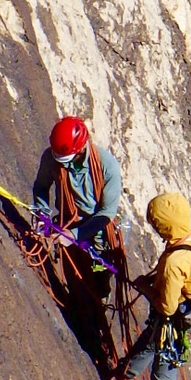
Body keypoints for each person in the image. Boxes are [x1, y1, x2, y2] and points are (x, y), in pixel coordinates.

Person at [118, 192, 191, 380]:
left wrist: (145, 288)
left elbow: (167, 307)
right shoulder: (190, 237)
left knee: (163, 374)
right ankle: (124, 372)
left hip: (174, 322)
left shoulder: (176, 261)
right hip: (177, 319)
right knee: (149, 342)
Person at [32, 116, 122, 274]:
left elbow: (107, 212)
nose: (62, 163)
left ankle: (99, 285)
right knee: (71, 272)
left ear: (80, 149)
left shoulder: (107, 166)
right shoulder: (52, 157)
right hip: (67, 223)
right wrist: (42, 214)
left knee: (98, 275)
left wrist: (73, 235)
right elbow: (41, 187)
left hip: (98, 232)